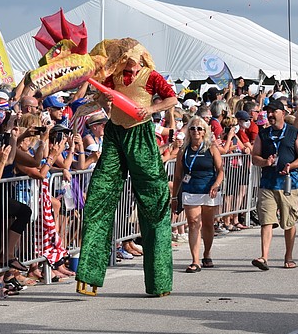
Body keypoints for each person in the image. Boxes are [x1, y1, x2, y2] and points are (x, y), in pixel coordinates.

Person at [75, 45, 178, 297]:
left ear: (142, 57)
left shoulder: (151, 76)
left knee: (154, 201)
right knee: (99, 195)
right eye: (125, 58)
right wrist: (102, 100)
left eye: (132, 58)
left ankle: (159, 281)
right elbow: (100, 99)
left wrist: (152, 110)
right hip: (114, 134)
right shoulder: (113, 77)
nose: (128, 62)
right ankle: (89, 275)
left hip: (140, 134)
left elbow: (172, 98)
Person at [250, 100, 298, 271]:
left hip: (289, 184)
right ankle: (264, 257)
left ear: (283, 113)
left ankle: (288, 256)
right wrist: (265, 161)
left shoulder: (294, 133)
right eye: (268, 112)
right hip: (268, 183)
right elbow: (254, 157)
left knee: (289, 222)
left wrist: (291, 166)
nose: (270, 115)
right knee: (266, 221)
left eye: (273, 111)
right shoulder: (263, 134)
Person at [170, 118, 224, 273]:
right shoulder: (183, 151)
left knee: (207, 224)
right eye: (193, 128)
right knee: (194, 223)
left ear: (204, 131)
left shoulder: (211, 148)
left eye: (199, 129)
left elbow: (220, 170)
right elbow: (178, 176)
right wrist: (175, 197)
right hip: (190, 189)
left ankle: (207, 254)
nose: (196, 131)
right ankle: (195, 260)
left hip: (208, 190)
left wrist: (216, 185)